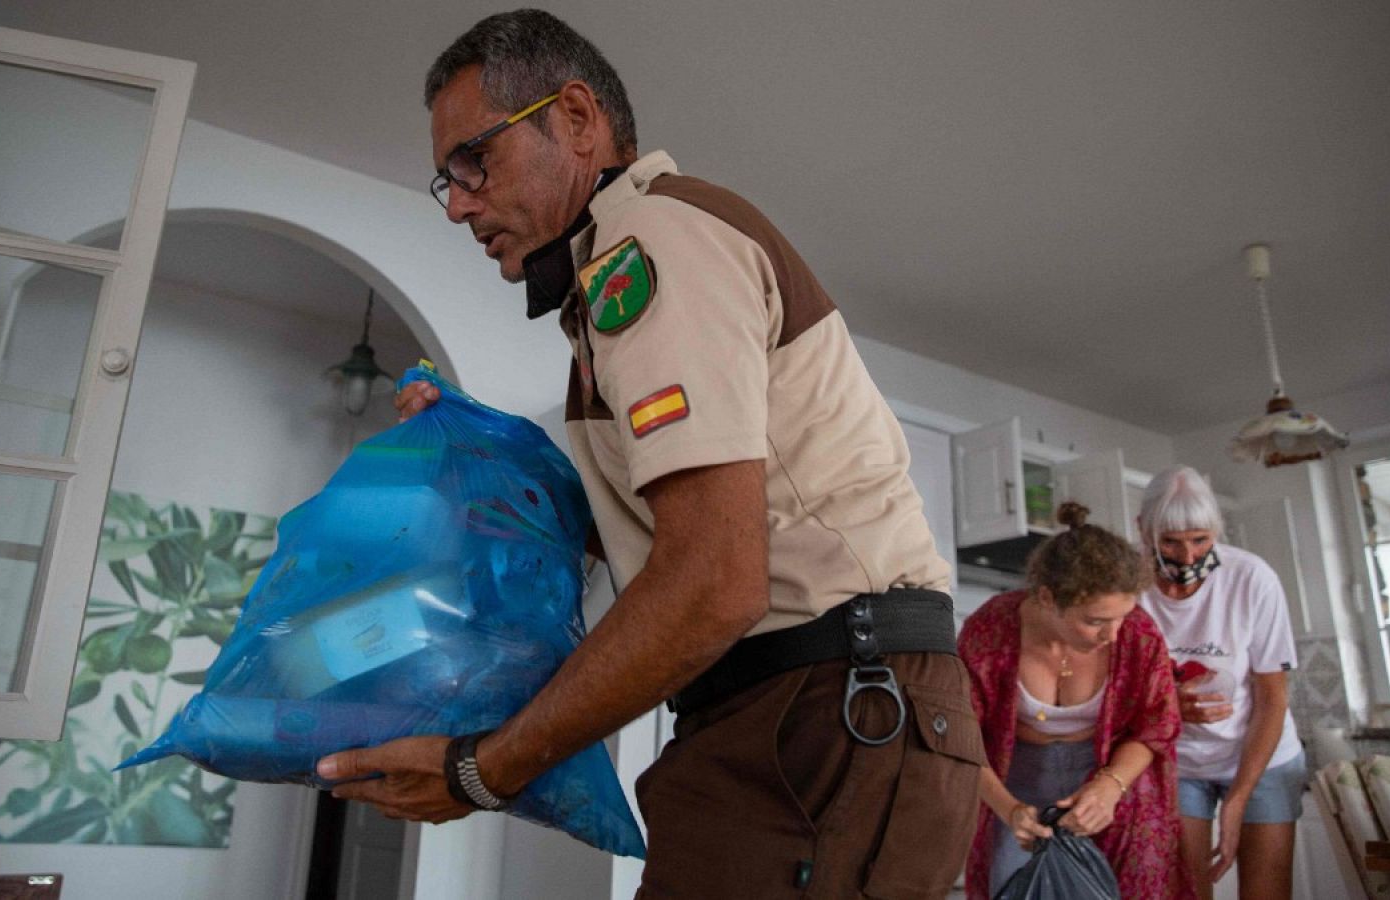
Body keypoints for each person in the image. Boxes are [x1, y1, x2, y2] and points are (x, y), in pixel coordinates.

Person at [314, 9, 983, 898]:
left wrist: (483, 769)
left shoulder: (651, 244)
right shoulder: (606, 292)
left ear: (578, 119)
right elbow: (657, 541)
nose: (461, 203)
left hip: (827, 707)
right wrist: (474, 455)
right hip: (803, 710)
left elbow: (713, 579)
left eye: (476, 160)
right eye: (448, 181)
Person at [960, 502, 1193, 898]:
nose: (1114, 634)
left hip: (1111, 775)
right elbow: (959, 738)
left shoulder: (1139, 633)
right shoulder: (989, 630)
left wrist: (1111, 785)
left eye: (1122, 616)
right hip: (1013, 779)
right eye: (1096, 621)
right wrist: (1007, 808)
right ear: (1048, 598)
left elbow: (1157, 725)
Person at [1136, 465, 1305, 900]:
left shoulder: (1252, 579)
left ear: (1216, 531)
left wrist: (1238, 799)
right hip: (1179, 763)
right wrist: (1166, 703)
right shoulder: (1129, 588)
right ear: (1144, 531)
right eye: (1171, 542)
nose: (1188, 556)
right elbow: (1118, 694)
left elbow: (1272, 698)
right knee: (1187, 893)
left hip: (1261, 757)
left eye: (1200, 539)